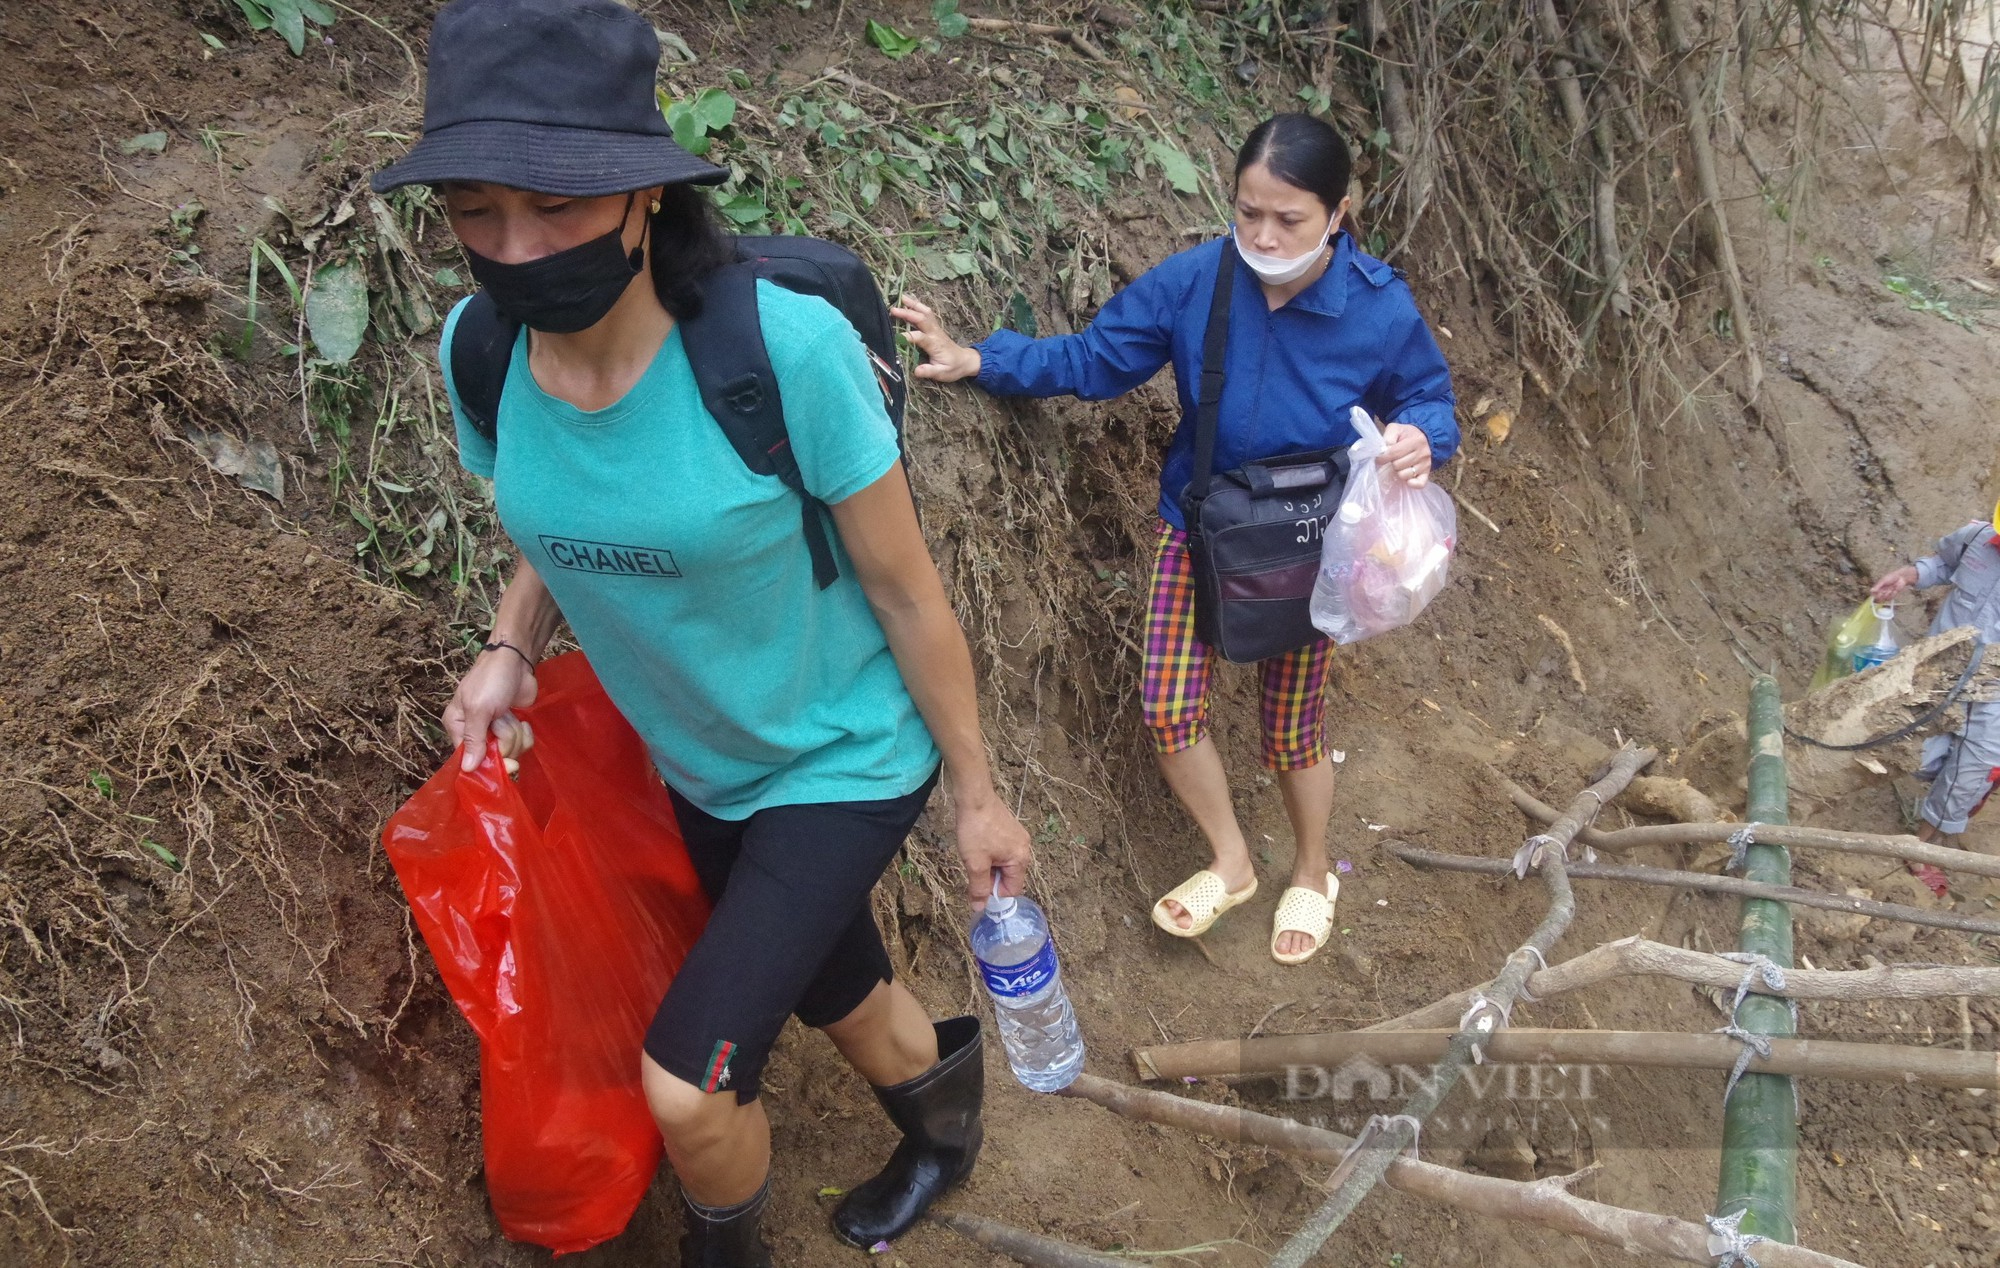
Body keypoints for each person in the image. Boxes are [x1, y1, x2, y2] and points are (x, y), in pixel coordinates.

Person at [370, 2, 1032, 1264]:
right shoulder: (483, 351)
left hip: (839, 753)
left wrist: (979, 797)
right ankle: (945, 1133)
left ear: (642, 198)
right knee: (838, 991)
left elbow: (906, 591)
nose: (513, 248)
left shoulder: (780, 353)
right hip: (698, 762)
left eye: (554, 205)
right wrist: (511, 638)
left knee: (689, 1080)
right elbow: (555, 512)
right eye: (473, 210)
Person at [895, 114, 1458, 965]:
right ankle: (1231, 862)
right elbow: (1097, 357)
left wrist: (1421, 435)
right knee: (1167, 707)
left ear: (1338, 214)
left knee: (1293, 726)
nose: (1264, 235)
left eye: (1289, 219)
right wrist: (983, 360)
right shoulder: (1200, 279)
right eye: (1249, 213)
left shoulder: (1379, 308)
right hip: (1199, 526)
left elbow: (1429, 399)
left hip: (1311, 540)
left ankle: (1311, 870)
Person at [1870, 500, 2000, 846]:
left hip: (1994, 695)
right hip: (1938, 673)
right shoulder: (1976, 538)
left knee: (1972, 770)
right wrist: (1907, 576)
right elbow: (1943, 563)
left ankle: (1924, 847)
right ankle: (1959, 784)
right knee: (1914, 755)